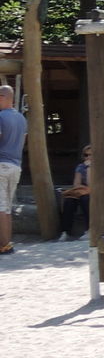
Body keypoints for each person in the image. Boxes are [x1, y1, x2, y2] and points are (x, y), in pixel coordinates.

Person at [0, 85, 24, 255]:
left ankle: (4, 245)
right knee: (7, 208)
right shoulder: (22, 119)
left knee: (1, 208)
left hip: (1, 164)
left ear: (3, 97)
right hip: (16, 165)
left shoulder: (1, 117)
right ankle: (7, 244)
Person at [60, 146, 93, 241]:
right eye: (86, 155)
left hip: (94, 192)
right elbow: (76, 184)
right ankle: (66, 231)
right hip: (82, 191)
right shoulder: (80, 167)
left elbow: (91, 184)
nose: (88, 157)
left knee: (85, 199)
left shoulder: (99, 167)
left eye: (91, 155)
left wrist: (89, 168)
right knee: (69, 201)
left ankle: (90, 229)